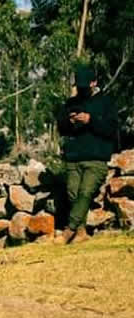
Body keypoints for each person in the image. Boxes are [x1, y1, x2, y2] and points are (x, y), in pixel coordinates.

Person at [55, 65, 118, 244]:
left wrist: (90, 120)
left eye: (85, 86)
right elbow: (61, 129)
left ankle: (69, 231)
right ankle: (81, 233)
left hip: (96, 158)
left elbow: (112, 130)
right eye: (79, 86)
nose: (81, 89)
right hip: (74, 158)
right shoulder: (70, 103)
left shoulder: (106, 103)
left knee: (85, 192)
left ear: (94, 83)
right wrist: (70, 121)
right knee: (73, 193)